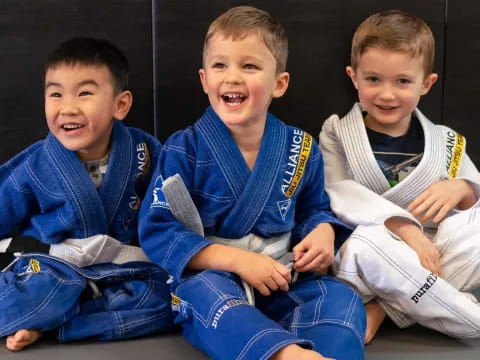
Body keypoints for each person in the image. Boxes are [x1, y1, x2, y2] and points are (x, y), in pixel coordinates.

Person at [140, 6, 366, 360]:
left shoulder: (300, 147)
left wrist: (322, 231)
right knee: (205, 295)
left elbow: (313, 208)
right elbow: (159, 229)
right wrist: (237, 261)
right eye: (220, 65)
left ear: (279, 83)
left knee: (341, 298)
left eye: (249, 66)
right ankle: (287, 356)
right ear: (204, 80)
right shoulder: (182, 149)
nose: (232, 77)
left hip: (282, 279)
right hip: (217, 279)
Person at [0, 38, 173, 351]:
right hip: (55, 268)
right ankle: (54, 312)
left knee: (169, 299)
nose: (68, 108)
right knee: (44, 292)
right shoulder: (37, 163)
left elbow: (169, 210)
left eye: (84, 94)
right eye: (55, 94)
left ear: (120, 105)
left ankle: (56, 322)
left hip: (123, 269)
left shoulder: (145, 152)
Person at [319, 9, 480, 344]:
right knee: (364, 244)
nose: (387, 94)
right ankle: (468, 318)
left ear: (427, 83)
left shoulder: (446, 140)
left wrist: (463, 188)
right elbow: (335, 192)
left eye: (402, 81)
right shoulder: (336, 132)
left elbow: (471, 206)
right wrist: (406, 230)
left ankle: (386, 310)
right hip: (373, 255)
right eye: (373, 79)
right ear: (354, 77)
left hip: (431, 254)